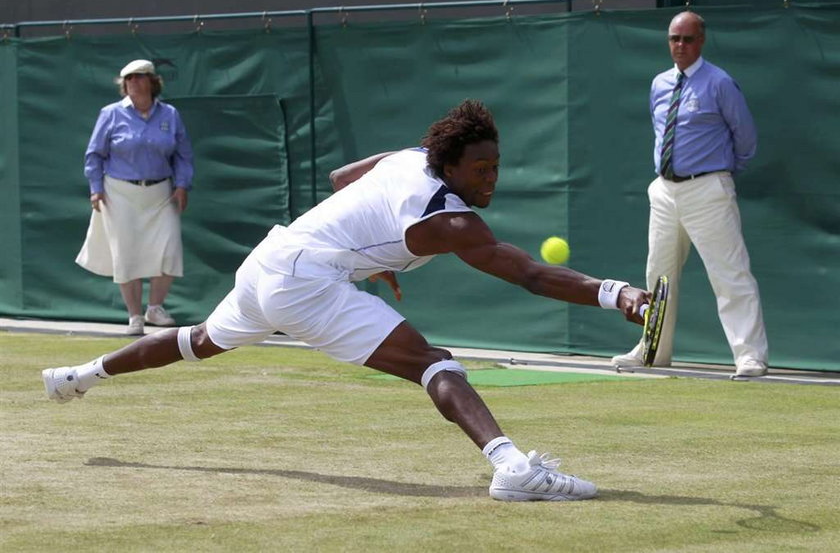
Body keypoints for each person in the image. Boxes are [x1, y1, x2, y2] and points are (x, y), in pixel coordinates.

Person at [45, 100, 649, 502]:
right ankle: (512, 468)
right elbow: (531, 276)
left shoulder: (410, 156)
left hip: (271, 261)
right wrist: (617, 294)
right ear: (450, 164)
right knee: (431, 361)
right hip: (307, 277)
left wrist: (374, 254)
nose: (490, 178)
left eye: (496, 167)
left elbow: (341, 181)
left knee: (199, 340)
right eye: (480, 168)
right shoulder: (452, 219)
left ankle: (78, 376)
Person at [611, 12, 769, 377]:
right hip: (665, 190)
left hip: (708, 188)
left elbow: (745, 138)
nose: (680, 46)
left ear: (702, 41)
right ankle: (652, 351)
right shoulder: (659, 84)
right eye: (674, 39)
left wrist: (719, 174)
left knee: (729, 274)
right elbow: (658, 129)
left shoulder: (720, 83)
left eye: (688, 39)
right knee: (658, 275)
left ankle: (750, 355)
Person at [76, 59, 194, 336]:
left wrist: (182, 185)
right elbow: (94, 155)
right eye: (128, 79)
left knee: (169, 248)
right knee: (126, 252)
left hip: (161, 191)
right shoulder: (110, 114)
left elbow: (183, 154)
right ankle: (135, 316)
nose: (133, 83)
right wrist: (96, 187)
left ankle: (155, 307)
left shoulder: (170, 115)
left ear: (152, 82)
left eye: (139, 77)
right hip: (119, 192)